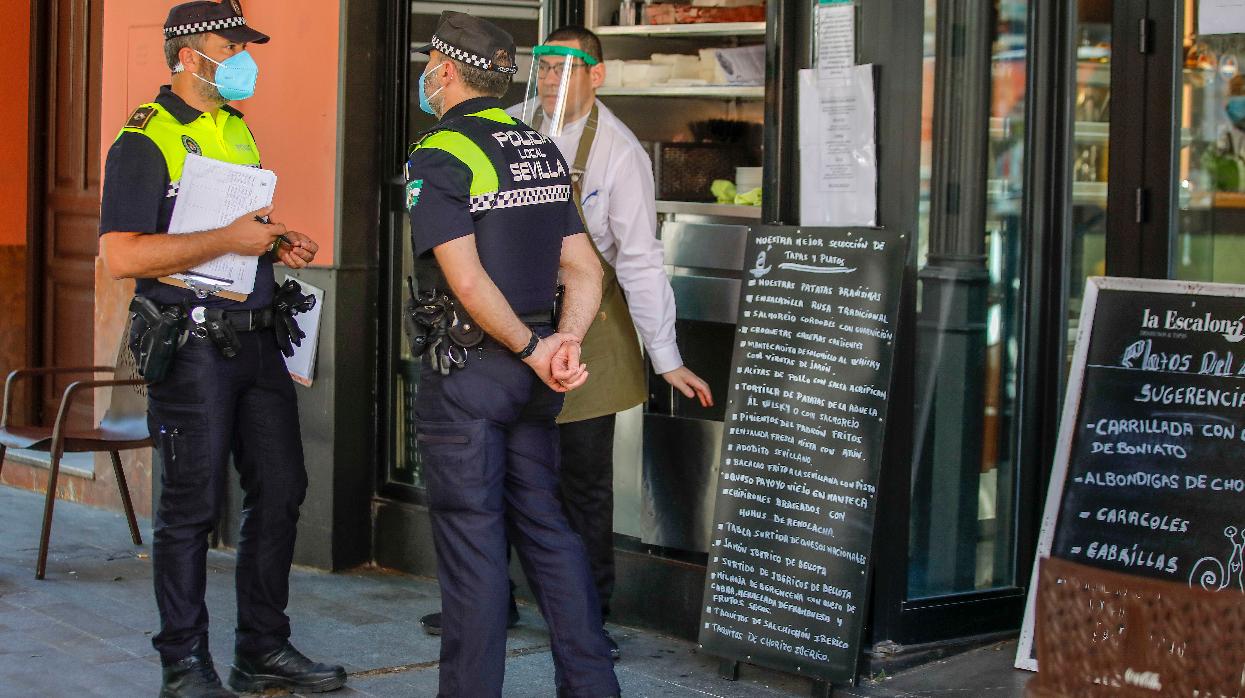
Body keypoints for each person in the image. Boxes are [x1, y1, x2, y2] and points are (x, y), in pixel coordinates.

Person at [418, 26, 715, 661]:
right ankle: (492, 600)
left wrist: (664, 355)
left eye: (567, 67)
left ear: (596, 75)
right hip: (516, 323)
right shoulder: (516, 127)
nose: (552, 78)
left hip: (584, 326)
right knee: (503, 480)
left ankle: (589, 616)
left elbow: (636, 258)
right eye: (545, 66)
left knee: (579, 482)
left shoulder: (619, 151)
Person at [98, 2, 344, 696]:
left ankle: (262, 648)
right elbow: (123, 255)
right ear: (187, 54)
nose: (243, 58)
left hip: (257, 338)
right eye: (230, 45)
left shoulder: (235, 125)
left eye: (244, 45)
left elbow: (232, 227)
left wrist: (272, 239)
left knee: (282, 490)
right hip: (192, 345)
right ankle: (183, 666)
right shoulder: (143, 139)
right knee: (190, 509)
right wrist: (229, 240)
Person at [404, 11, 620, 698]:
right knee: (549, 533)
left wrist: (533, 349)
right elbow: (584, 270)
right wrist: (563, 344)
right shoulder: (540, 148)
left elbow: (466, 282)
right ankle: (593, 688)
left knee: (472, 548)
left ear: (444, 70)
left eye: (429, 68)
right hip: (533, 379)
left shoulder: (439, 152)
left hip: (471, 375)